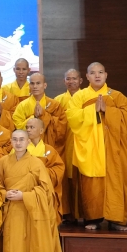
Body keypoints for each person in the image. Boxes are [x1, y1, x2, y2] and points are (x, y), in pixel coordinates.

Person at [0, 130, 68, 252]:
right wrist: (5, 193)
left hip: (32, 214)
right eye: (15, 139)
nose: (18, 142)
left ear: (28, 141)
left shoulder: (36, 163)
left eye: (22, 139)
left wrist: (24, 196)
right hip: (12, 213)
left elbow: (47, 192)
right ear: (11, 142)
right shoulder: (3, 162)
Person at [66, 62, 127, 231]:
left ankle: (116, 219)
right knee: (91, 183)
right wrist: (92, 111)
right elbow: (72, 117)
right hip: (90, 147)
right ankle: (93, 218)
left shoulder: (117, 96)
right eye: (93, 73)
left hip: (114, 148)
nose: (97, 75)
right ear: (87, 76)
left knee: (117, 181)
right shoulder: (80, 96)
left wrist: (108, 110)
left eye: (100, 72)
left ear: (106, 75)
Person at [12, 73, 67, 158]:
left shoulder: (54, 105)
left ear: (44, 85)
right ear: (29, 86)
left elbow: (61, 128)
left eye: (38, 83)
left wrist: (44, 115)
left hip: (49, 147)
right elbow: (18, 127)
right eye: (32, 83)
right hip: (28, 148)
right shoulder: (22, 105)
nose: (35, 86)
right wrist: (34, 117)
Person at [55, 68, 83, 221]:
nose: (71, 81)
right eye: (68, 78)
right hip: (64, 144)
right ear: (64, 81)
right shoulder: (59, 100)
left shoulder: (86, 98)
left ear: (80, 81)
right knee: (65, 177)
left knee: (82, 179)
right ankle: (65, 212)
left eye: (74, 78)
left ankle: (82, 213)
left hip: (83, 144)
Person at [25, 118, 65, 209]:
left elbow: (59, 168)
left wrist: (43, 172)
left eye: (32, 127)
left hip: (45, 188)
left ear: (41, 130)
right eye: (26, 127)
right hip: (26, 190)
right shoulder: (20, 148)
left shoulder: (49, 150)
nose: (28, 130)